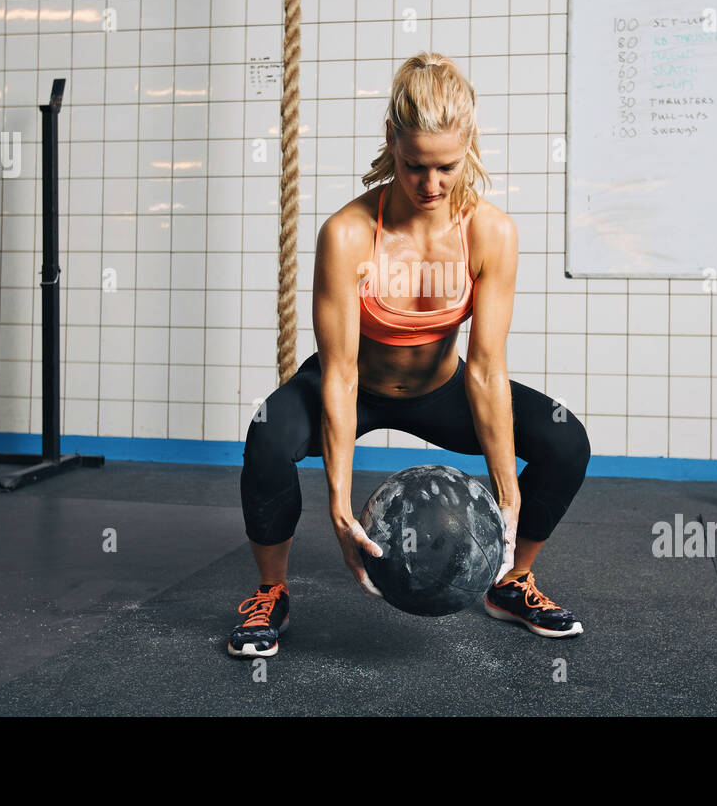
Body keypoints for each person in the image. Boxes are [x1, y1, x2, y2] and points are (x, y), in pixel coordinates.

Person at [230, 52, 591, 657]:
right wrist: (340, 506)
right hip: (357, 385)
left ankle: (512, 579)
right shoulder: (348, 233)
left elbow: (484, 368)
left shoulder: (491, 233)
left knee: (565, 443)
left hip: (443, 390)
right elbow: (340, 375)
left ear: (469, 143)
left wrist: (507, 493)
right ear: (391, 142)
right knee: (268, 437)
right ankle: (271, 591)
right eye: (413, 166)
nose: (430, 185)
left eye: (445, 167)